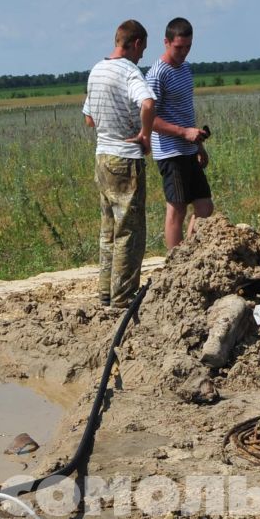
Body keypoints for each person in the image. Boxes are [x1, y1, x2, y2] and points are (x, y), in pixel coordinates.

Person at [82, 19, 156, 306]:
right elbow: (148, 103)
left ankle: (105, 292)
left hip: (102, 158)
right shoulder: (129, 71)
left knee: (108, 229)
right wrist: (144, 135)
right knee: (129, 231)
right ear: (135, 43)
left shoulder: (96, 70)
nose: (141, 56)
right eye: (142, 50)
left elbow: (89, 118)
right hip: (126, 159)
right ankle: (123, 297)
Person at [145, 16, 211, 250]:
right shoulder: (156, 74)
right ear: (166, 42)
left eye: (188, 47)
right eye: (178, 47)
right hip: (169, 152)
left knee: (204, 207)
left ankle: (189, 256)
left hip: (188, 148)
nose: (184, 52)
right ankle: (176, 263)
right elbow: (148, 119)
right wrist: (183, 133)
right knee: (177, 208)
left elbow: (186, 112)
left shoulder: (185, 69)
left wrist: (198, 145)